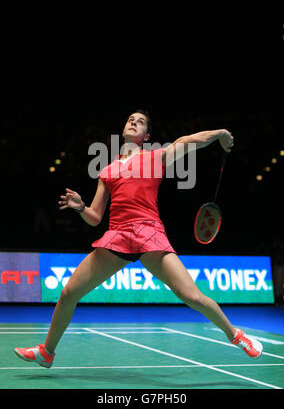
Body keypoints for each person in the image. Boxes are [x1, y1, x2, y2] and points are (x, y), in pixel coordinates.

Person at [14, 109, 263, 368]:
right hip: (117, 236)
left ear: (146, 136)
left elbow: (188, 141)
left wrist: (220, 134)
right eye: (130, 119)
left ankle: (236, 335)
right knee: (68, 293)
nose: (134, 122)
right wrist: (80, 207)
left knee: (192, 296)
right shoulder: (107, 171)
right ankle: (47, 353)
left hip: (149, 233)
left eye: (140, 122)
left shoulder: (156, 158)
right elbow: (96, 217)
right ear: (123, 130)